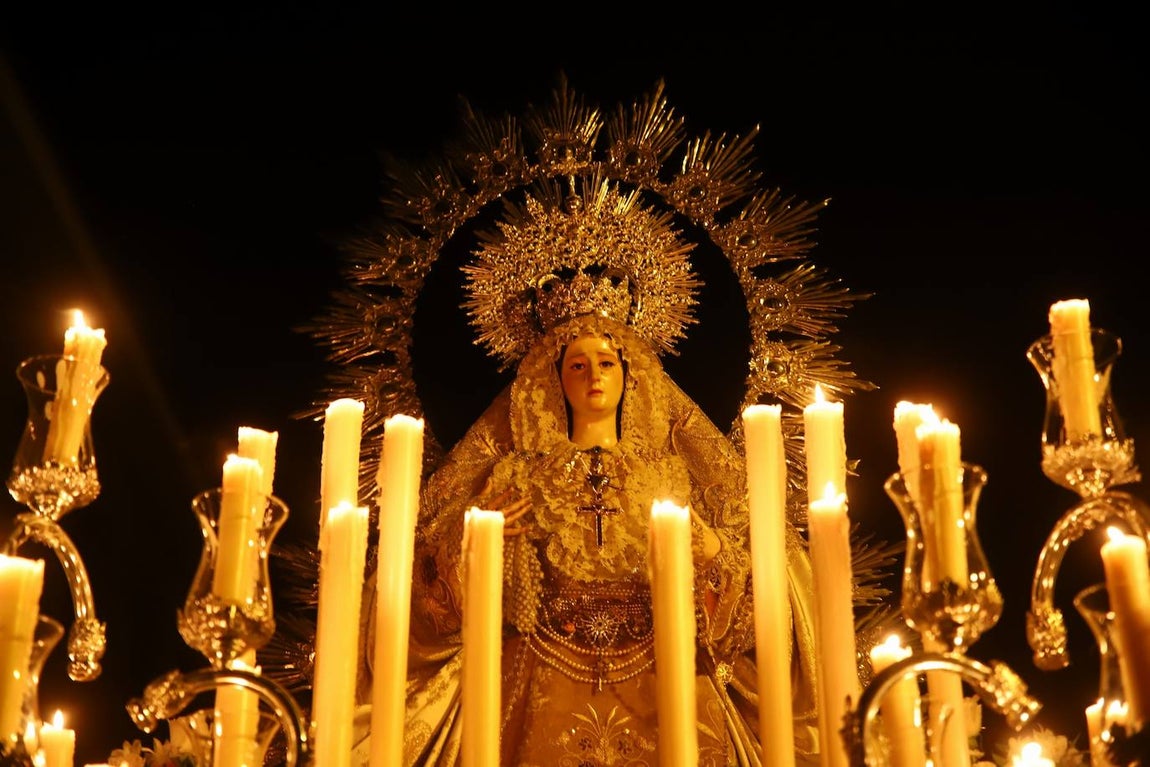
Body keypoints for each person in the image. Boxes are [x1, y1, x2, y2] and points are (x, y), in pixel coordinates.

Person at [353, 306, 822, 765]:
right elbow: (443, 600)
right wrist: (475, 543)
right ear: (554, 380)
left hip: (663, 676)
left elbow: (745, 616)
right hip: (538, 673)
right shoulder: (519, 476)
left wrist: (711, 553)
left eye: (606, 364)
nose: (594, 376)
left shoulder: (668, 476)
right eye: (577, 365)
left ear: (629, 376)